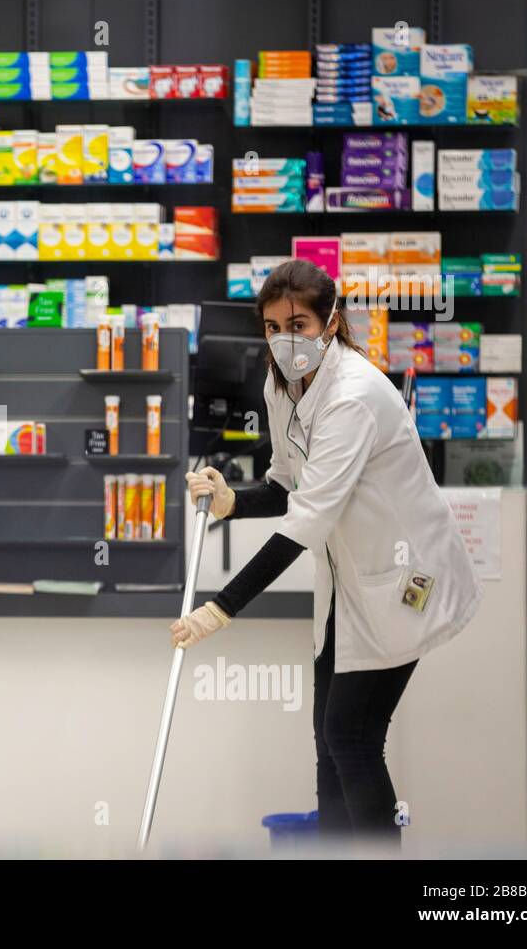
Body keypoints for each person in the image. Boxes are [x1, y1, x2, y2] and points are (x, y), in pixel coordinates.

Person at [172, 259, 481, 845]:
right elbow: (288, 486)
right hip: (348, 581)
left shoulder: (354, 395)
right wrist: (230, 500)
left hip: (405, 580)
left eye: (300, 325)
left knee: (352, 738)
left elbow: (307, 521)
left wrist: (222, 607)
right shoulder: (279, 386)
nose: (285, 340)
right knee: (328, 738)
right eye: (271, 327)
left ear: (331, 321)